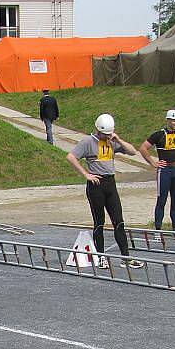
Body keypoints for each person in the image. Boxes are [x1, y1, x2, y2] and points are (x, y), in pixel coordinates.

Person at [67, 113, 145, 269]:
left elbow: (132, 152)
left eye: (109, 134)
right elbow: (71, 157)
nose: (107, 137)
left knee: (119, 221)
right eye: (105, 134)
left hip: (110, 183)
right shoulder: (88, 142)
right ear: (98, 130)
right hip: (96, 185)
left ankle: (126, 258)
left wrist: (118, 140)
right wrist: (86, 174)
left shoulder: (111, 141)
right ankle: (101, 256)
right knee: (99, 223)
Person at [139, 109, 175, 232]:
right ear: (168, 120)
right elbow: (143, 148)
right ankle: (158, 229)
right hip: (164, 170)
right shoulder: (159, 134)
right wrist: (153, 162)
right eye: (173, 120)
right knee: (161, 199)